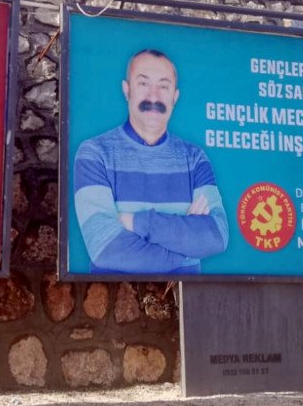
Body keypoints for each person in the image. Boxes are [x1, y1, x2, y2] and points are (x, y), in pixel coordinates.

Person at [73, 48, 228, 274]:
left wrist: (135, 222)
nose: (154, 96)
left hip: (186, 293)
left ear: (175, 97)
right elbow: (106, 249)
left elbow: (216, 236)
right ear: (127, 90)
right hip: (114, 294)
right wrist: (187, 248)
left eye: (164, 86)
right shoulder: (95, 153)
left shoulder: (194, 158)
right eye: (143, 83)